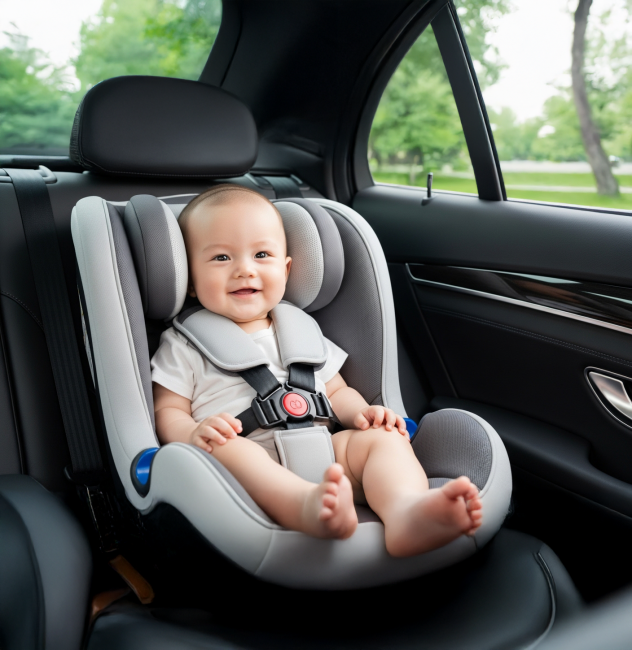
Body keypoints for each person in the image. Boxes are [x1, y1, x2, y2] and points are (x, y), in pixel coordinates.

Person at [151, 185, 482, 557]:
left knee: (384, 441)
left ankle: (406, 512)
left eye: (261, 254)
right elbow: (167, 410)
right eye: (221, 257)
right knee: (229, 451)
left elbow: (336, 391)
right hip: (247, 460)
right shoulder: (183, 343)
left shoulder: (303, 330)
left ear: (286, 269)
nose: (245, 269)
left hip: (328, 452)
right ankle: (306, 508)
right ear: (191, 280)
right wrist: (193, 433)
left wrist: (363, 414)